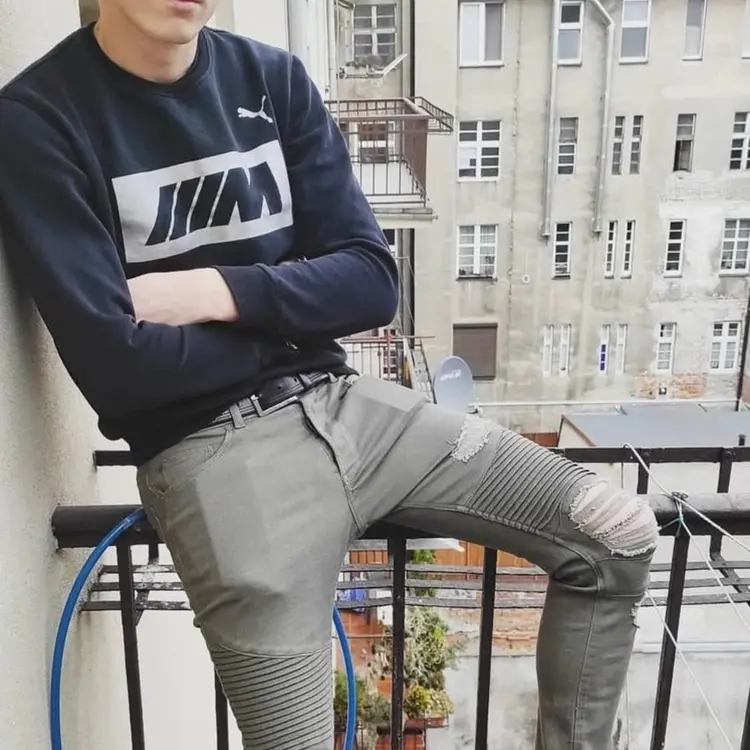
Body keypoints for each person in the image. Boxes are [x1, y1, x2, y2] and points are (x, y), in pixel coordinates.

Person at [0, 1, 659, 748]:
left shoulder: (270, 79)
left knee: (614, 532)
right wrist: (291, 326)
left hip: (349, 407)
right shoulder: (42, 119)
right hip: (214, 457)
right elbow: (117, 367)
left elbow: (371, 280)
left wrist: (218, 292)